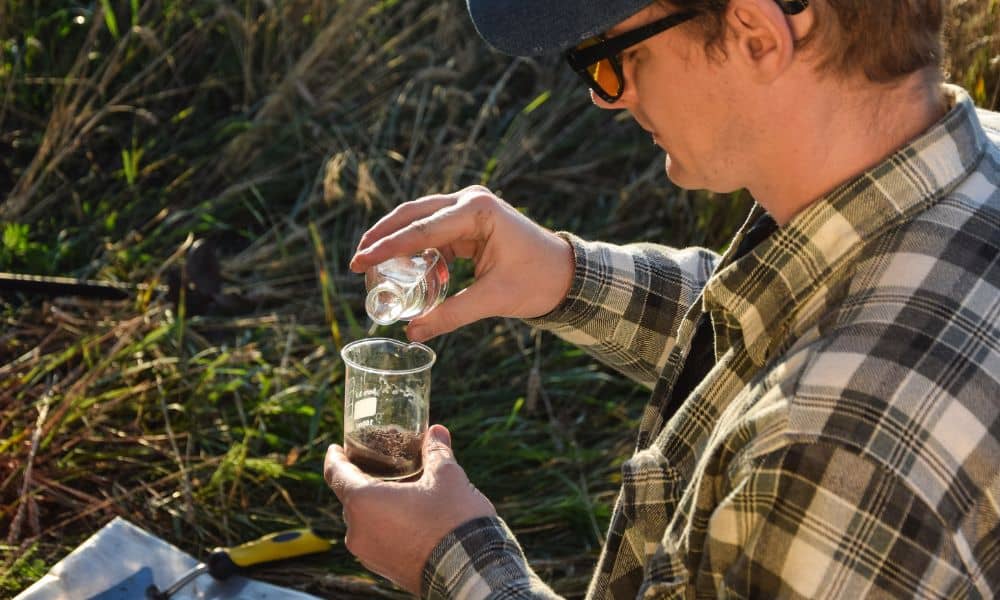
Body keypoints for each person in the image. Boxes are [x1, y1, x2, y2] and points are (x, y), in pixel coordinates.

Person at [324, 0, 1000, 597]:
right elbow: (790, 317)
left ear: (756, 35)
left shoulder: (830, 457)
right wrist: (564, 275)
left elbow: (818, 382)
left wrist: (452, 560)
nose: (607, 97)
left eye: (615, 54)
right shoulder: (967, 165)